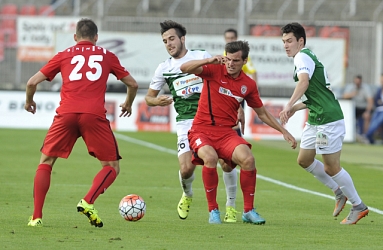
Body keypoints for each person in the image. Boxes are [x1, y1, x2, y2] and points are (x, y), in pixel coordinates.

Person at [24, 18, 138, 227]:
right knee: (111, 166)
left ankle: (36, 217)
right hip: (93, 115)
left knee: (46, 162)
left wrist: (29, 101)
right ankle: (88, 201)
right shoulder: (107, 55)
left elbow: (32, 82)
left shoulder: (64, 54)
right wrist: (128, 103)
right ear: (96, 38)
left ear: (75, 37)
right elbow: (133, 84)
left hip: (66, 114)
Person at [180, 40, 297, 224]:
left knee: (248, 160)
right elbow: (184, 68)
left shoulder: (248, 84)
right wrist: (208, 61)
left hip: (226, 133)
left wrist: (283, 131)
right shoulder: (214, 70)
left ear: (244, 61)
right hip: (201, 130)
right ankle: (213, 211)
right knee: (210, 158)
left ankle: (248, 211)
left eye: (235, 60)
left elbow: (262, 113)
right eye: (228, 59)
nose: (231, 64)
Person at [145, 20, 243, 223]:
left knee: (227, 164)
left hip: (214, 119)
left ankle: (231, 207)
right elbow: (148, 97)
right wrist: (156, 101)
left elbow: (224, 81)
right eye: (165, 41)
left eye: (171, 38)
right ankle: (188, 194)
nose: (169, 43)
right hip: (186, 123)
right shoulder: (164, 68)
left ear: (182, 39)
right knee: (186, 168)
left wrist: (237, 106)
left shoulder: (201, 56)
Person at [279, 22, 369, 224]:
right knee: (304, 159)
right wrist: (295, 108)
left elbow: (304, 83)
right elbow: (316, 95)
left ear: (300, 41)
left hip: (328, 119)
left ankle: (358, 205)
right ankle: (339, 192)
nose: (286, 45)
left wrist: (289, 104)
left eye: (290, 41)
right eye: (284, 41)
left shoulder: (302, 56)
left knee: (331, 167)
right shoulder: (307, 57)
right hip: (316, 118)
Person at [366, 74, 383, 144]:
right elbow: (376, 100)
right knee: (373, 122)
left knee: (376, 123)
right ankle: (369, 137)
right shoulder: (379, 90)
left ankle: (367, 135)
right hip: (378, 109)